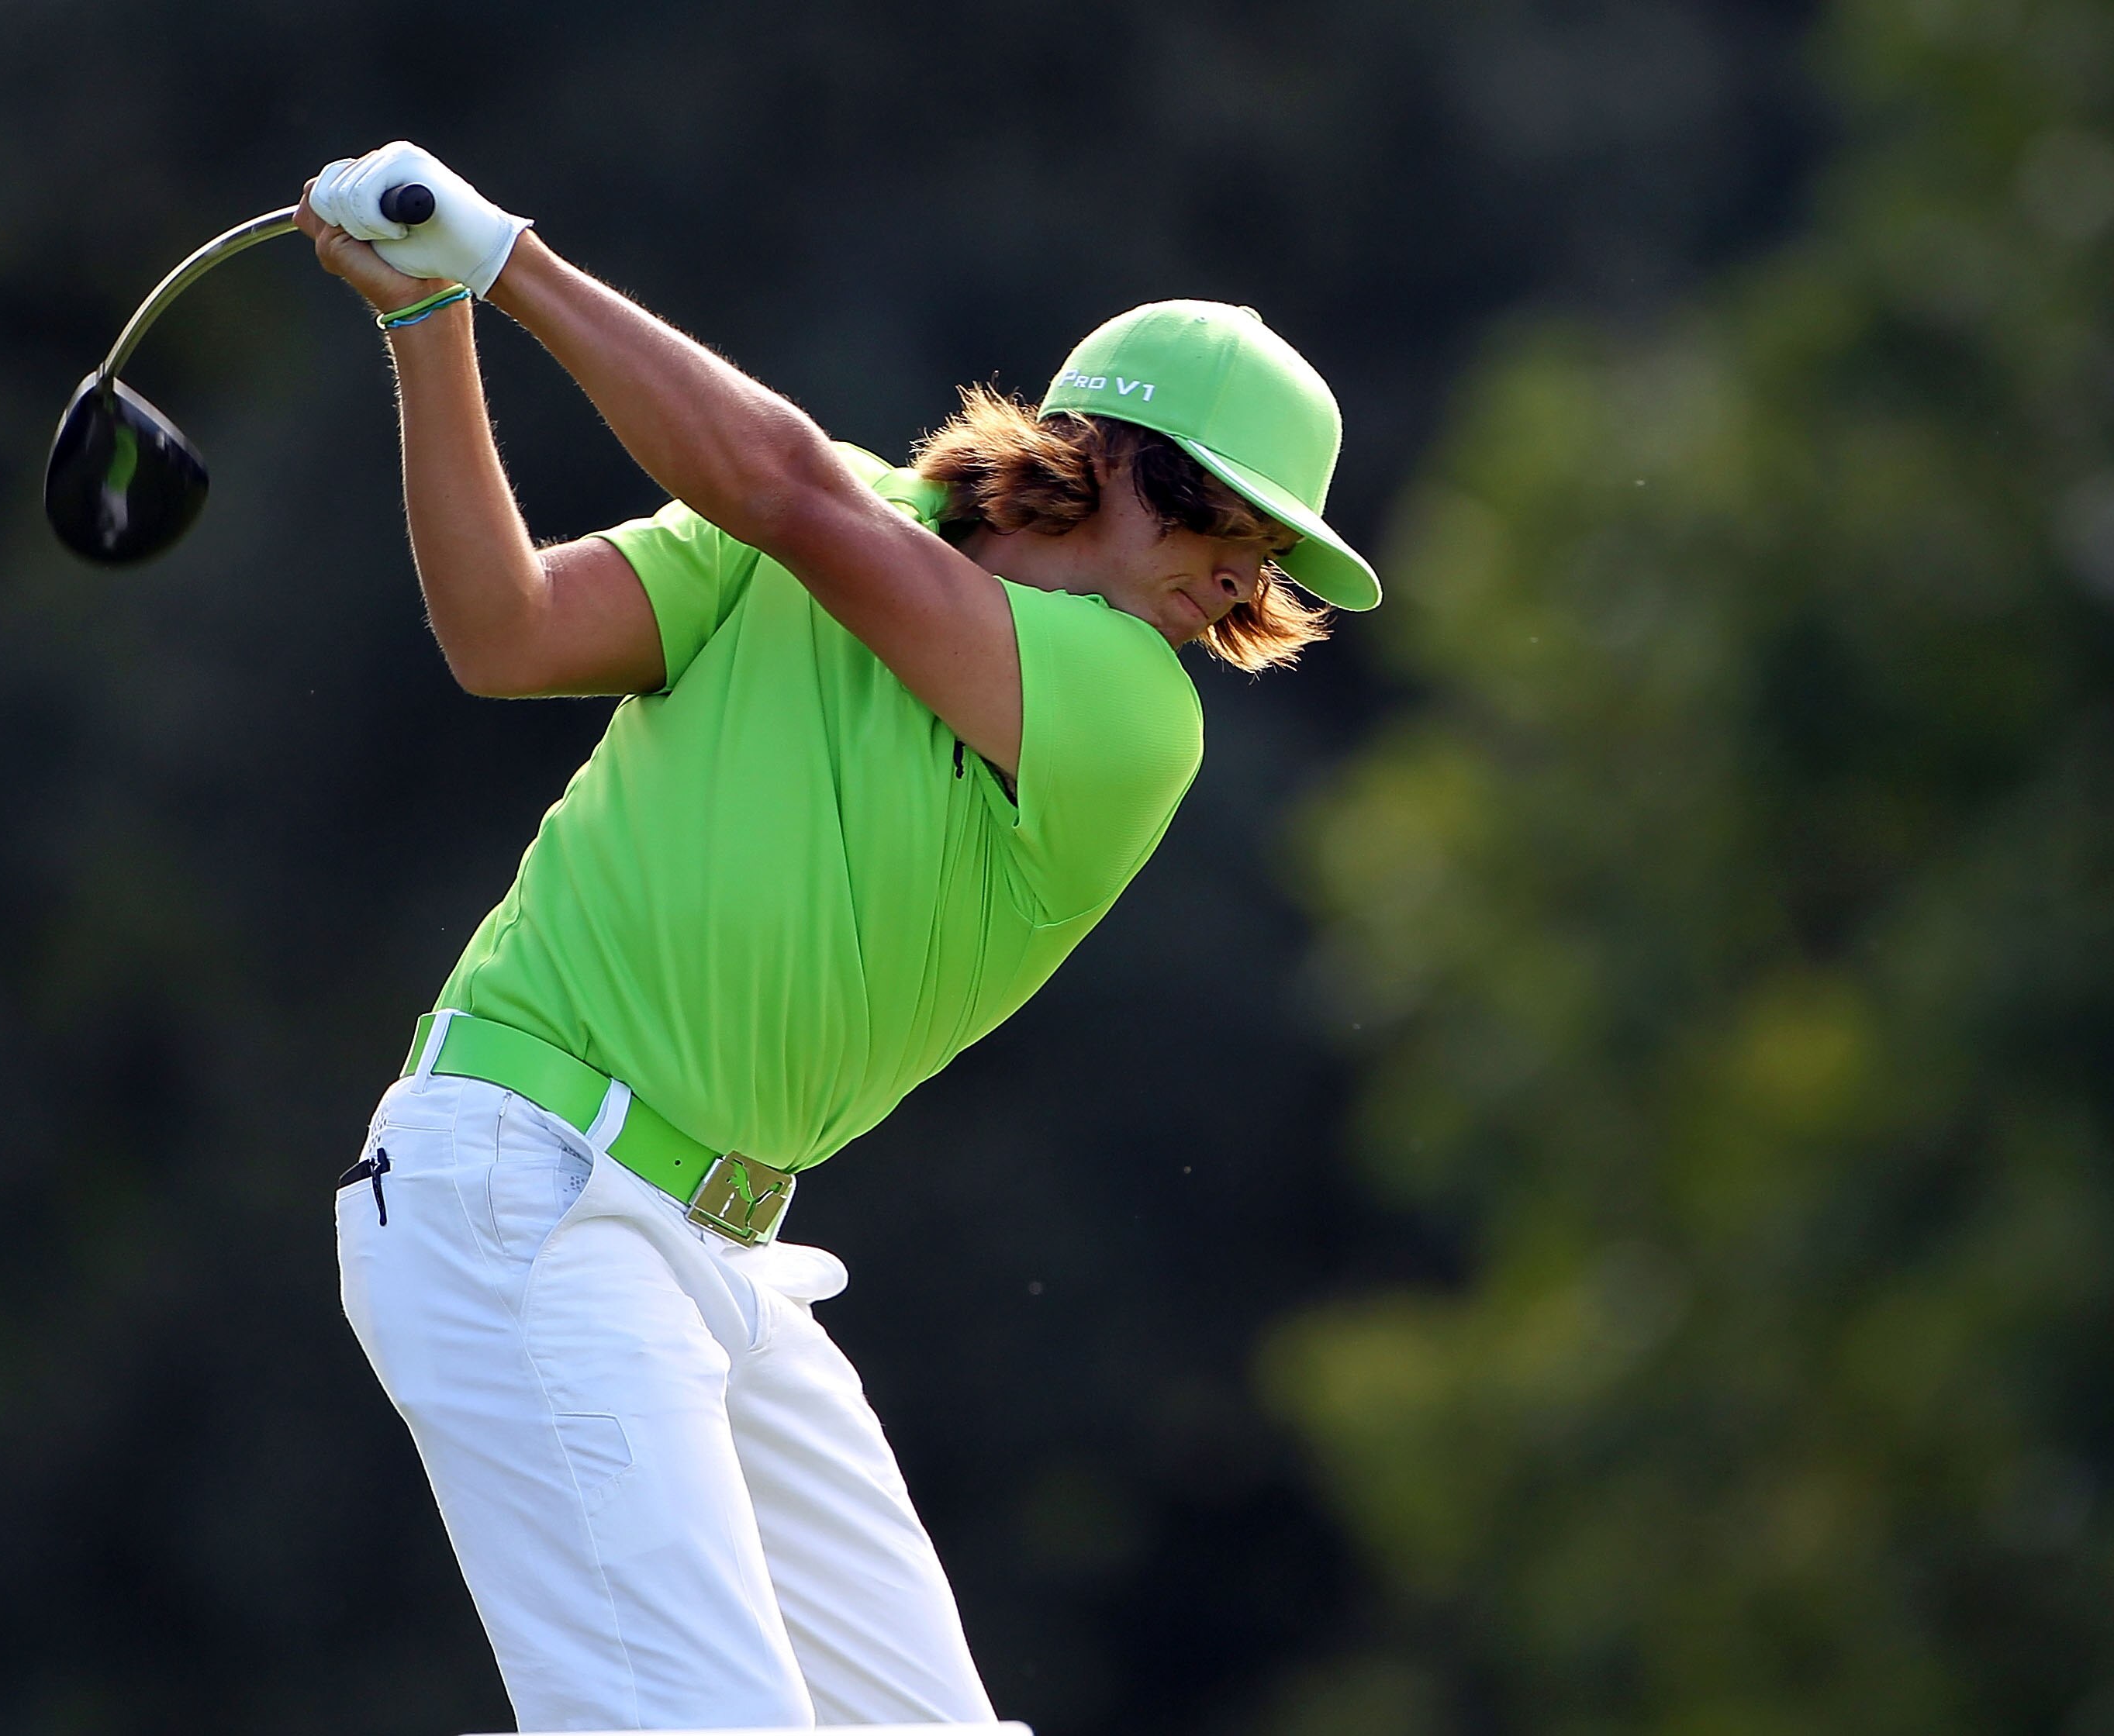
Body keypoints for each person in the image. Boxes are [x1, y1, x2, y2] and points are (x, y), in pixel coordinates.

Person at [298, 140, 1379, 1733]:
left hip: (714, 1254)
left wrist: (501, 258)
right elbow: (504, 628)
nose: (1241, 565)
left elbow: (784, 489)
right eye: (1223, 508)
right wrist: (427, 322)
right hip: (521, 1179)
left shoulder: (1134, 706)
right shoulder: (808, 521)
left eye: (1271, 550)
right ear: (1100, 456)